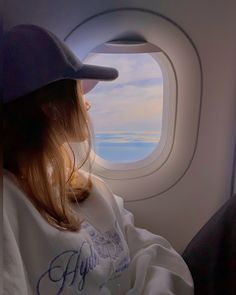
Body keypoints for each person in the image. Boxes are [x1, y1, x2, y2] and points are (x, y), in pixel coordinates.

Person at [3, 24, 194, 294]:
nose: (87, 104)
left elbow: (150, 249)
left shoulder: (86, 186)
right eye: (79, 92)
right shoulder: (8, 202)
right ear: (52, 108)